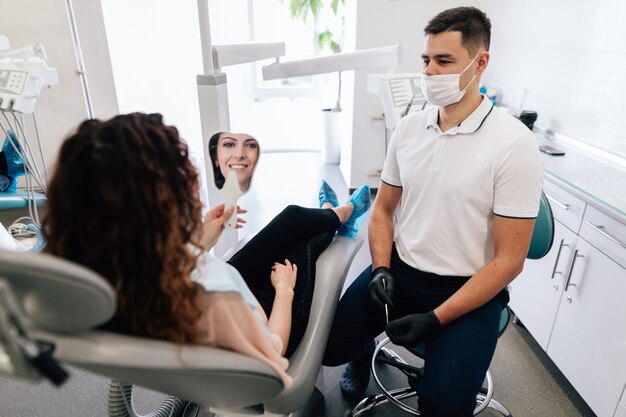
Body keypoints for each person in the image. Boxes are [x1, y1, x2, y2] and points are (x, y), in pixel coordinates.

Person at [41, 113, 371, 387]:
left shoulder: (99, 280)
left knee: (291, 218)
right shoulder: (216, 298)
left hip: (209, 298)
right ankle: (339, 212)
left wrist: (200, 241)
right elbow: (274, 351)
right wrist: (284, 290)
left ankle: (331, 210)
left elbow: (168, 275)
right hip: (268, 318)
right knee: (305, 238)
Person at [323, 7, 544, 416]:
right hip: (401, 273)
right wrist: (380, 269)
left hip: (469, 291)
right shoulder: (409, 128)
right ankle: (363, 353)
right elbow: (384, 211)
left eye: (444, 61)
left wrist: (437, 319)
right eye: (426, 60)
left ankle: (449, 371)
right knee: (328, 347)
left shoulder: (513, 144)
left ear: (480, 63)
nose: (430, 73)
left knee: (442, 404)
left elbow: (510, 260)